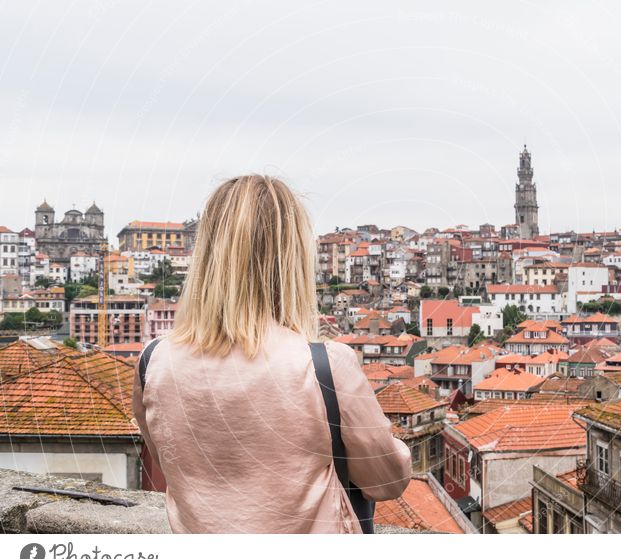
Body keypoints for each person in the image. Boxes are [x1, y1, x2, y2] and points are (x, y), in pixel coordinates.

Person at [132, 175, 412, 533]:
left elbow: (169, 459)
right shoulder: (324, 366)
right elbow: (386, 480)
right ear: (291, 258)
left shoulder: (154, 363)